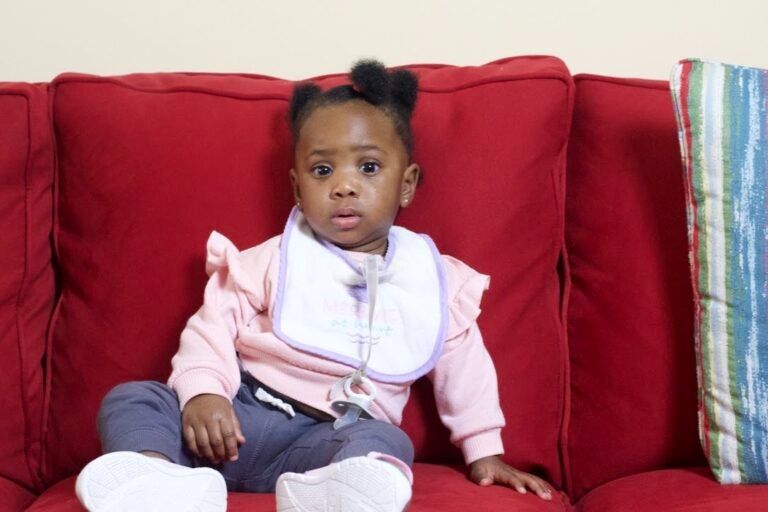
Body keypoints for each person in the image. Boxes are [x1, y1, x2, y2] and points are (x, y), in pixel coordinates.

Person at [75, 60, 554, 512]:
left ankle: (334, 495)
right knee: (134, 398)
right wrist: (205, 394)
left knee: (389, 443)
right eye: (323, 171)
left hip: (325, 443)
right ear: (298, 188)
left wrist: (483, 451)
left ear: (406, 184)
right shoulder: (273, 259)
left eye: (368, 167)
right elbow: (211, 326)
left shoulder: (434, 280)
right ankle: (157, 481)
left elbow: (466, 371)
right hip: (232, 421)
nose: (343, 187)